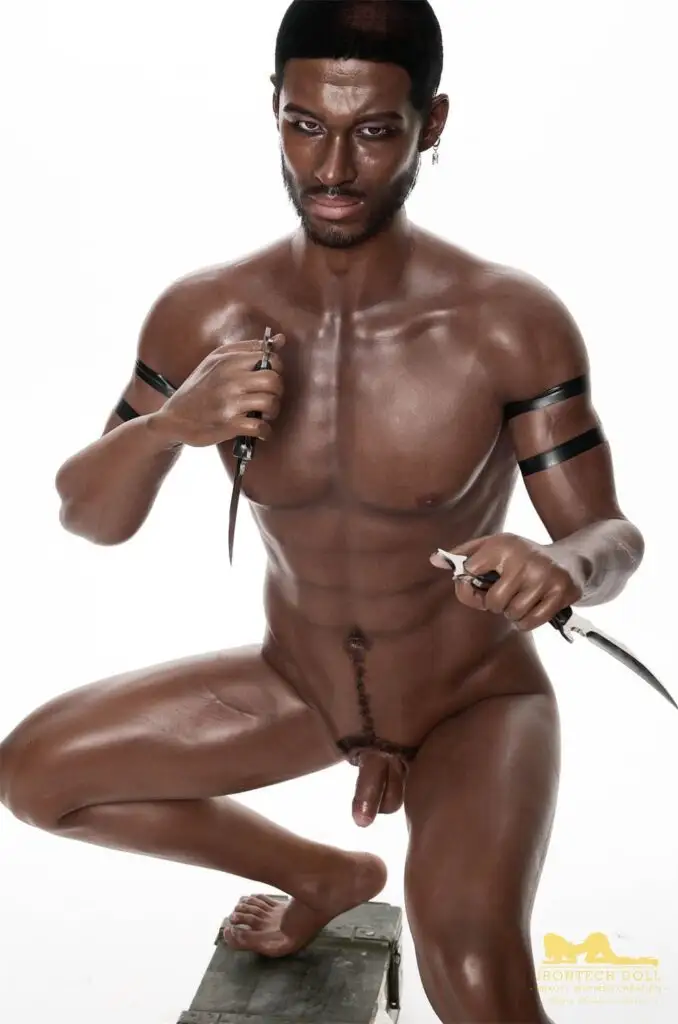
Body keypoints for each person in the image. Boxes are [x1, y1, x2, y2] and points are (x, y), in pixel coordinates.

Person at [0, 3, 645, 1022]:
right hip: (299, 683)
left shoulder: (505, 323)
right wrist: (171, 425)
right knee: (35, 776)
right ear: (274, 110)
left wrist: (561, 565)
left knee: (470, 967)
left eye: (373, 131)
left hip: (471, 698)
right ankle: (323, 874)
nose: (332, 167)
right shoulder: (206, 313)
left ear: (431, 123)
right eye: (305, 126)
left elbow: (609, 534)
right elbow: (90, 516)